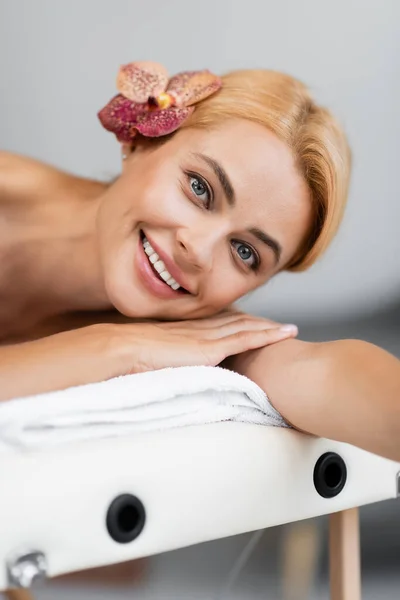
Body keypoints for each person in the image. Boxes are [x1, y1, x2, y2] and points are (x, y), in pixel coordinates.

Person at [0, 62, 399, 462]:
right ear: (140, 142)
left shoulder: (194, 334)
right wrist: (113, 347)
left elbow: (322, 374)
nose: (199, 250)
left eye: (245, 252)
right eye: (199, 189)